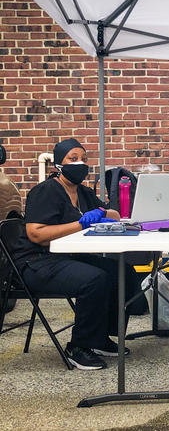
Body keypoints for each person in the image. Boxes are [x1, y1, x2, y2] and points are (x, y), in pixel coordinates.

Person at [12, 138, 141, 370]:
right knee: (95, 279)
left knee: (122, 272)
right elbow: (36, 234)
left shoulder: (82, 192)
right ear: (58, 165)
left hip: (65, 257)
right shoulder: (46, 191)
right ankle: (79, 347)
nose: (80, 163)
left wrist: (102, 211)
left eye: (83, 158)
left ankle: (101, 337)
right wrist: (81, 224)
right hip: (36, 263)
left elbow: (113, 214)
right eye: (73, 159)